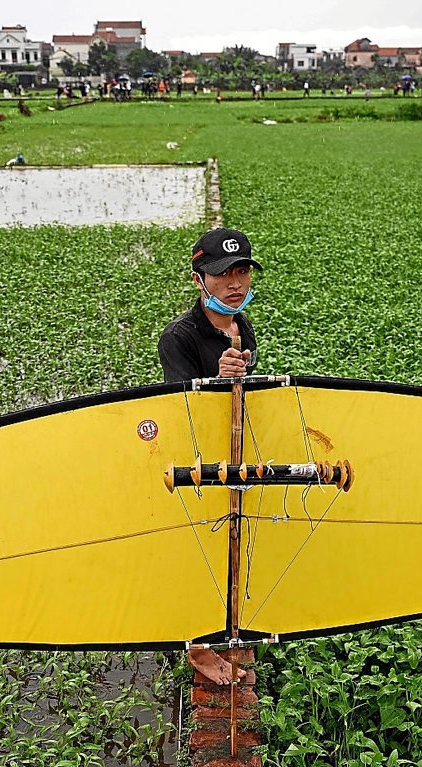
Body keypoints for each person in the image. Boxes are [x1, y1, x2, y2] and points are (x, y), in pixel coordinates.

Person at [159, 227, 261, 685]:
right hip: (196, 456)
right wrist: (218, 380)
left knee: (231, 536)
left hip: (234, 445)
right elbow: (183, 410)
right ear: (199, 278)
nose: (234, 284)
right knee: (194, 546)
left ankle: (231, 621)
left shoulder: (243, 324)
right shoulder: (179, 337)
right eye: (222, 274)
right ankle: (197, 648)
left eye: (241, 272)